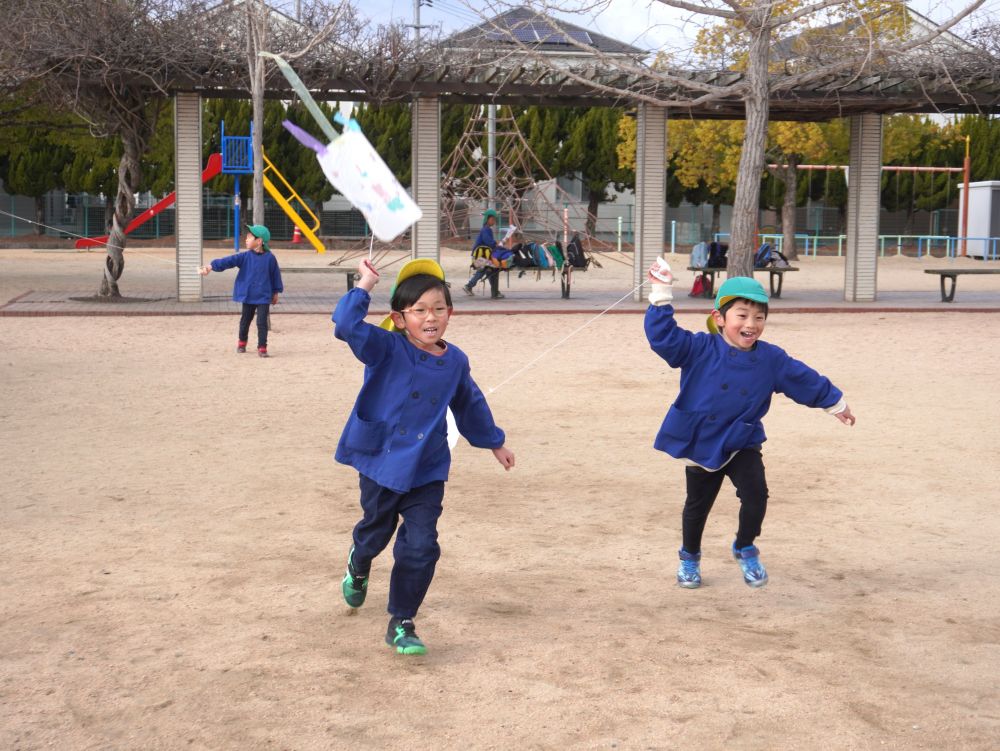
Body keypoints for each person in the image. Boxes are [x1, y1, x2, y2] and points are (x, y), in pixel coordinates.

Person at [333, 257, 515, 655]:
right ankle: (359, 561)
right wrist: (364, 284)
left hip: (427, 466)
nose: (430, 318)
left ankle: (402, 620)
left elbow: (471, 403)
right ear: (400, 318)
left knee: (421, 545)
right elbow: (346, 326)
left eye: (439, 308)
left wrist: (494, 442)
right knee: (375, 531)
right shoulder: (384, 346)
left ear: (450, 312)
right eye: (419, 310)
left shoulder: (455, 361)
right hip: (380, 459)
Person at [643, 261, 855, 589]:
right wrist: (660, 294)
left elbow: (802, 378)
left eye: (759, 317)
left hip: (742, 439)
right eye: (741, 315)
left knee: (756, 495)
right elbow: (665, 339)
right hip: (702, 440)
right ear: (719, 318)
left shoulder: (771, 358)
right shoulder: (699, 347)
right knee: (697, 505)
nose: (751, 324)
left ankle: (745, 546)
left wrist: (833, 402)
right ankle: (689, 556)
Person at [199, 225, 283, 358]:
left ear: (259, 241)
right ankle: (242, 342)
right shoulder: (244, 256)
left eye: (250, 237)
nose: (246, 239)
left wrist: (276, 292)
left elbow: (275, 275)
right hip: (248, 295)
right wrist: (210, 266)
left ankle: (262, 347)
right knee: (245, 320)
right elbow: (227, 261)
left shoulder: (270, 258)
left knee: (262, 322)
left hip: (263, 296)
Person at [462, 209, 505, 299]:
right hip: (480, 256)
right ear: (487, 219)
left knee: (489, 270)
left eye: (494, 220)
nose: (494, 221)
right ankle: (469, 286)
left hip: (481, 255)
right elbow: (488, 242)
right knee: (487, 270)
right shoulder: (486, 230)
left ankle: (494, 291)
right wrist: (496, 243)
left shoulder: (486, 229)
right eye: (492, 219)